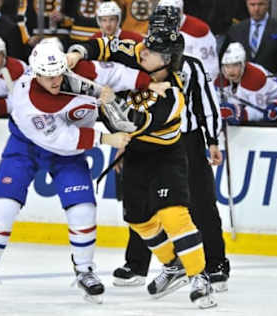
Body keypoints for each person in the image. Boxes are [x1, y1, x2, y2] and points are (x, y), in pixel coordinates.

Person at [0, 40, 161, 304]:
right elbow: (59, 138)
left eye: (59, 72)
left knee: (83, 209)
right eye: (48, 76)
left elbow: (115, 72)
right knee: (3, 205)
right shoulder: (26, 99)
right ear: (36, 73)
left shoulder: (79, 70)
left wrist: (146, 84)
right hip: (26, 146)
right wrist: (106, 140)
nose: (55, 80)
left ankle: (84, 271)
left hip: (68, 155)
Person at [68, 27, 217, 309]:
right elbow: (107, 46)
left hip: (165, 157)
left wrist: (102, 97)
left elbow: (127, 124)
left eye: (153, 51)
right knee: (137, 218)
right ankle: (173, 266)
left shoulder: (172, 95)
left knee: (173, 215)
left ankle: (200, 276)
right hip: (136, 154)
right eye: (146, 47)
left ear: (169, 60)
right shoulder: (140, 55)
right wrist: (79, 53)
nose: (143, 51)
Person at [111, 6, 229, 296]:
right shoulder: (141, 63)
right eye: (155, 25)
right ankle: (137, 264)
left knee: (200, 201)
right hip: (145, 139)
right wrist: (122, 142)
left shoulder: (191, 65)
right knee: (140, 204)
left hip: (185, 140)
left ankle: (215, 265)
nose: (158, 30)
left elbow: (207, 104)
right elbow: (129, 105)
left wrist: (212, 139)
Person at [217, 42, 277, 124]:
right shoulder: (222, 79)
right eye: (227, 66)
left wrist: (240, 114)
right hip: (264, 98)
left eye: (235, 65)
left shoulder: (255, 78)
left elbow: (259, 112)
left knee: (271, 115)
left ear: (243, 64)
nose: (230, 70)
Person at [154, 0, 220, 80]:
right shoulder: (155, 27)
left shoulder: (199, 30)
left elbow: (211, 67)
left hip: (192, 82)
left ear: (181, 11)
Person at [225, 0, 277, 74]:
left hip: (272, 81)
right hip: (243, 81)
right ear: (247, 5)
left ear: (267, 4)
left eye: (261, 4)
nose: (256, 9)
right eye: (252, 5)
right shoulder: (236, 29)